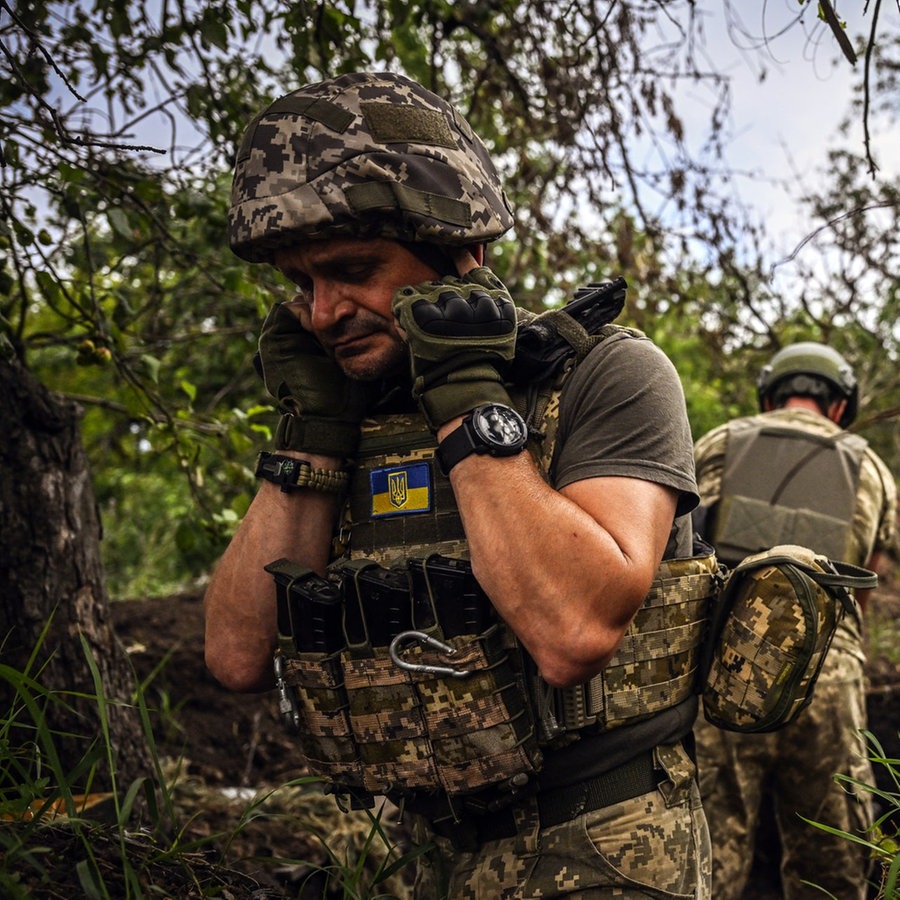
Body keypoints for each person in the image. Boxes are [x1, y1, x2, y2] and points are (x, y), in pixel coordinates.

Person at [204, 71, 715, 898]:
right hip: (425, 855)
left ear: (460, 251)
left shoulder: (607, 376)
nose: (325, 312)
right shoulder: (354, 413)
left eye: (352, 270)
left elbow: (574, 632)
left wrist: (468, 405)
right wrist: (314, 438)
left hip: (607, 844)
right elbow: (237, 657)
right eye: (302, 286)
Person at [692, 342, 897, 899]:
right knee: (831, 866)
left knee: (708, 861)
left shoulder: (718, 444)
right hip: (827, 680)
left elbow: (682, 552)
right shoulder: (872, 468)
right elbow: (868, 578)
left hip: (726, 677)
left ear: (771, 394)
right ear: (838, 404)